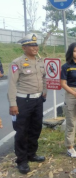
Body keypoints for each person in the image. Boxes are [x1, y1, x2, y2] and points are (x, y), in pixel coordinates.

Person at [7, 34, 47, 174]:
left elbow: (43, 77)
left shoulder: (40, 61)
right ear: (24, 48)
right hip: (23, 101)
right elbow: (11, 84)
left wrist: (45, 90)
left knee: (36, 128)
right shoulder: (17, 63)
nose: (35, 48)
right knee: (22, 131)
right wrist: (13, 103)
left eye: (36, 45)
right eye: (31, 45)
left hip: (37, 101)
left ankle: (31, 154)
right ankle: (22, 160)